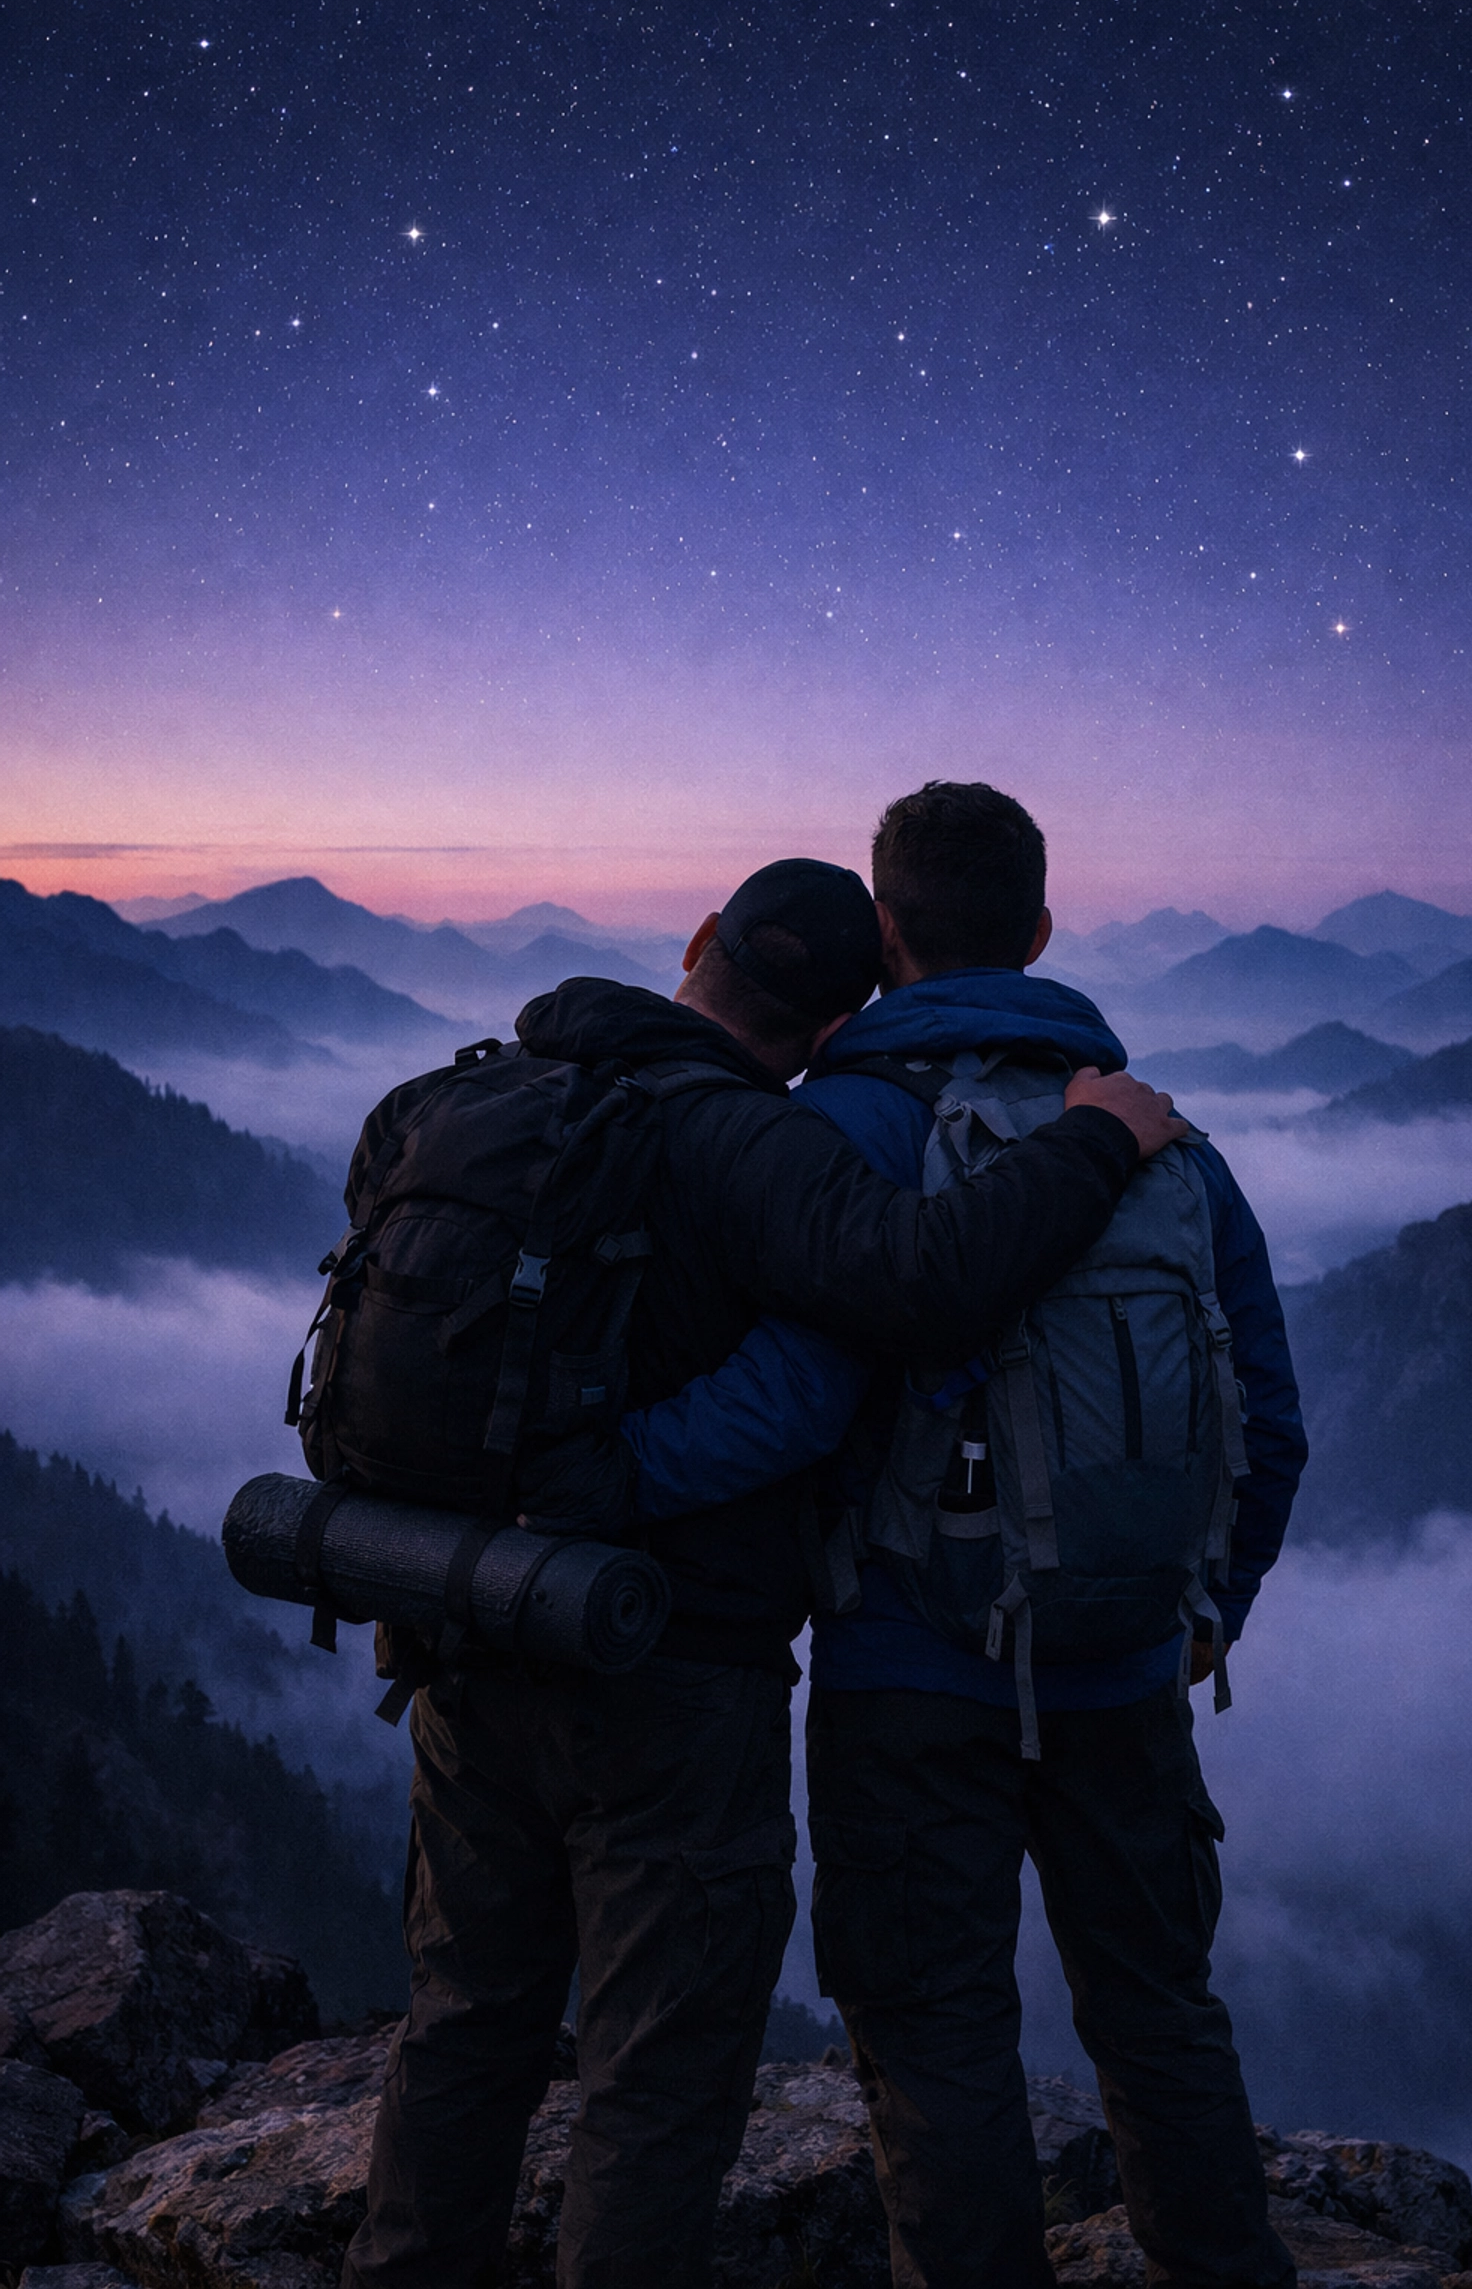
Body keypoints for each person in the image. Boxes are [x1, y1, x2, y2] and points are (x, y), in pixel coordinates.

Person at [341, 855, 1185, 2289]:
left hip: (465, 1628)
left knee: (465, 2020)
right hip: (673, 1677)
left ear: (692, 942)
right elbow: (924, 1279)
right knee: (657, 2078)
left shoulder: (453, 1100)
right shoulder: (751, 1145)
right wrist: (1098, 1141)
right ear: (842, 1018)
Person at [699, 785, 1305, 2289]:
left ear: (883, 933)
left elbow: (784, 1403)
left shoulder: (839, 1122)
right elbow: (1271, 1418)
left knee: (936, 2042)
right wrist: (1202, 1606)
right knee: (1161, 2015)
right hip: (1125, 1660)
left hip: (906, 1664)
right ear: (1040, 930)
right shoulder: (1165, 1136)